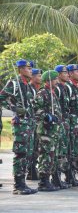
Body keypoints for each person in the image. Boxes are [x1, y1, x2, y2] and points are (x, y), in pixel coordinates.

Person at [0, 59, 38, 194]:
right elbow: (2, 98)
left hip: (29, 124)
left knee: (27, 154)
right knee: (20, 153)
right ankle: (18, 184)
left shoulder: (28, 86)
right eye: (28, 68)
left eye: (31, 68)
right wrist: (14, 108)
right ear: (21, 69)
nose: (30, 71)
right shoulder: (14, 83)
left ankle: (23, 183)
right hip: (21, 124)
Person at [34, 70, 62, 191]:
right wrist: (47, 117)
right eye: (54, 79)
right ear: (47, 81)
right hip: (45, 130)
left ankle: (48, 179)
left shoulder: (53, 93)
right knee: (46, 155)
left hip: (53, 130)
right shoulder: (42, 93)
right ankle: (43, 181)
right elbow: (37, 109)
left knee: (52, 155)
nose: (57, 81)